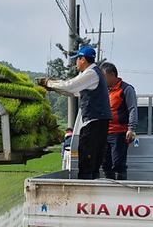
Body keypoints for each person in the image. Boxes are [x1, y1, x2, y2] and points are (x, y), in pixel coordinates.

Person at [38, 45, 112, 179]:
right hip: (98, 123)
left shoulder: (91, 73)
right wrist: (54, 88)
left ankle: (85, 186)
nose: (75, 63)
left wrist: (49, 83)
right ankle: (91, 183)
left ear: (83, 59)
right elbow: (74, 92)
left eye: (77, 59)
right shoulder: (94, 74)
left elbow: (70, 86)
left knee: (86, 160)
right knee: (92, 162)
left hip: (93, 124)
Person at [99, 62, 138, 180]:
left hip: (119, 133)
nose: (102, 80)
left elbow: (132, 109)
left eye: (104, 77)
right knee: (105, 163)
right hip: (104, 132)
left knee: (118, 163)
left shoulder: (126, 89)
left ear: (112, 74)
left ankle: (121, 186)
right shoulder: (103, 90)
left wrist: (131, 129)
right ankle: (109, 186)